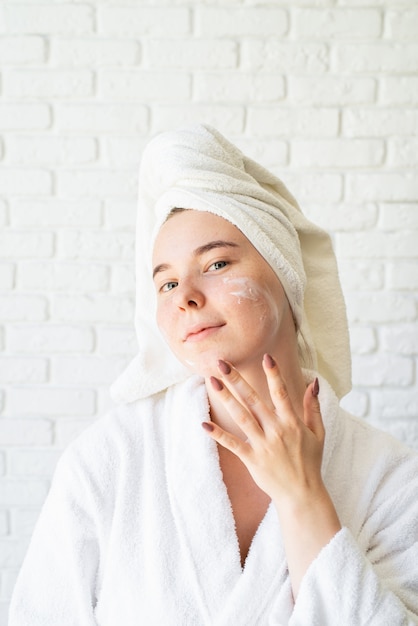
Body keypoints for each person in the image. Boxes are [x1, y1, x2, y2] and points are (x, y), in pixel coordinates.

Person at [9, 125, 418, 625]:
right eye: (167, 283)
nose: (185, 297)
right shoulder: (109, 459)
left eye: (218, 262)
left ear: (284, 271)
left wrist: (302, 496)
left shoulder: (392, 479)